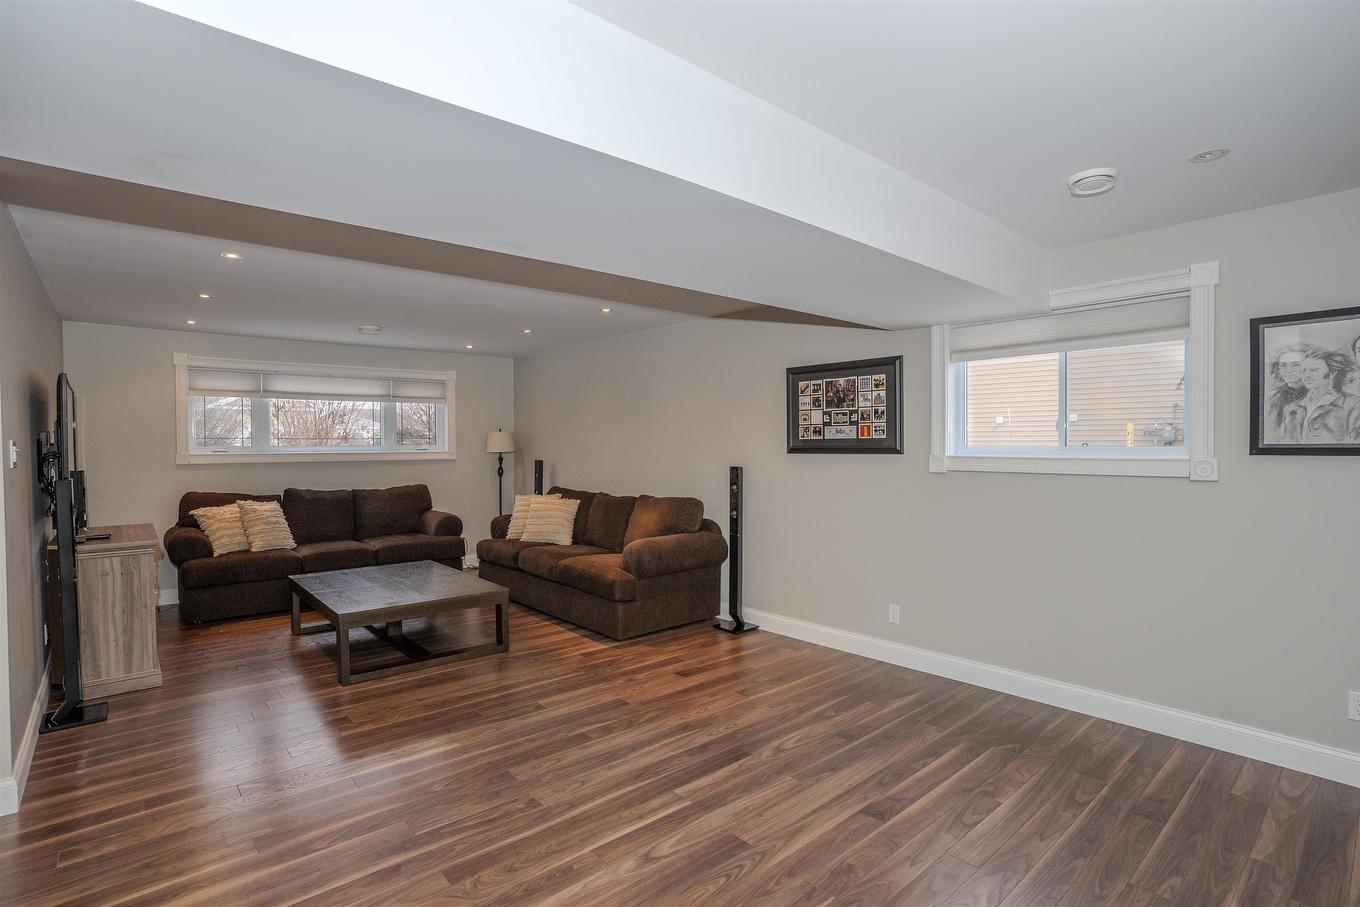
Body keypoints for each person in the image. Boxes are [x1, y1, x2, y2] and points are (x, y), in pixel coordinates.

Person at [1279, 345, 1360, 443]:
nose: (1306, 375)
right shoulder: (1291, 408)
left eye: (1314, 370)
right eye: (1304, 370)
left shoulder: (1354, 405)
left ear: (1332, 373)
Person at [1265, 343, 1309, 442]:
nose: (1288, 370)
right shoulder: (1272, 396)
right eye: (1283, 365)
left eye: (1295, 365)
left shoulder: (1316, 395)